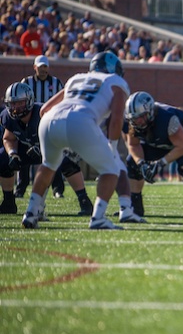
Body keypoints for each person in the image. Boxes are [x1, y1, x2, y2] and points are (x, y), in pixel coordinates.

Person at [21, 51, 129, 230]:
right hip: (80, 120)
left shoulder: (76, 78)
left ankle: (31, 213)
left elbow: (43, 110)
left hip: (49, 120)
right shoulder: (117, 82)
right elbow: (117, 118)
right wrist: (113, 146)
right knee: (111, 169)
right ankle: (98, 217)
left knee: (48, 166)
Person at [122, 92, 183, 218]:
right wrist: (142, 163)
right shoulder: (131, 122)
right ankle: (135, 208)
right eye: (135, 118)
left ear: (151, 112)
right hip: (164, 140)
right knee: (133, 162)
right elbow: (134, 145)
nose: (138, 121)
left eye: (142, 116)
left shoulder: (167, 118)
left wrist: (160, 163)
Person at [1, 83, 93, 217]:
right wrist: (12, 154)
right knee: (3, 158)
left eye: (20, 103)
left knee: (66, 161)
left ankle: (84, 201)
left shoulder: (43, 113)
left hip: (52, 145)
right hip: (27, 150)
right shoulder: (7, 117)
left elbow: (59, 136)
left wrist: (40, 147)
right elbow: (8, 138)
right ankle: (8, 201)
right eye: (13, 103)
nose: (15, 108)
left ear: (29, 101)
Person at [17, 55, 66, 198]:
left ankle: (57, 189)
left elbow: (64, 101)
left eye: (45, 67)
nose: (43, 70)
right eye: (40, 67)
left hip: (50, 123)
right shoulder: (26, 82)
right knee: (25, 153)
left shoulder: (56, 83)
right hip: (29, 123)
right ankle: (21, 188)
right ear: (35, 67)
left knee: (53, 154)